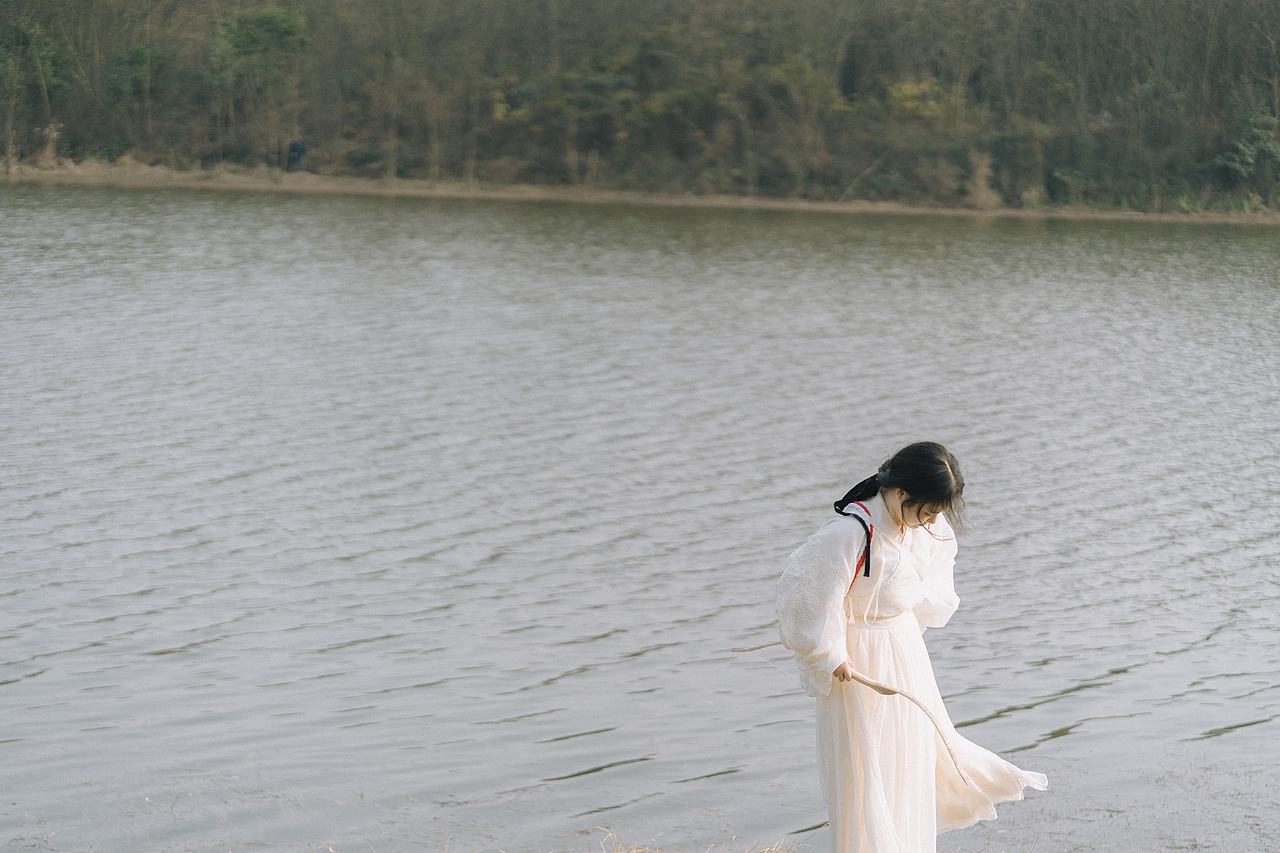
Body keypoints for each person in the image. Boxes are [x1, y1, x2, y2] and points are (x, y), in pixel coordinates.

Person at [776, 441, 1047, 853]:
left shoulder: (928, 530)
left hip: (903, 652)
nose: (932, 522)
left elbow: (933, 589)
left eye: (938, 512)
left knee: (911, 763)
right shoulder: (850, 533)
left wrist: (903, 615)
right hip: (858, 664)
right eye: (927, 510)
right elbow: (804, 596)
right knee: (864, 774)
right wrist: (828, 653)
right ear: (901, 493)